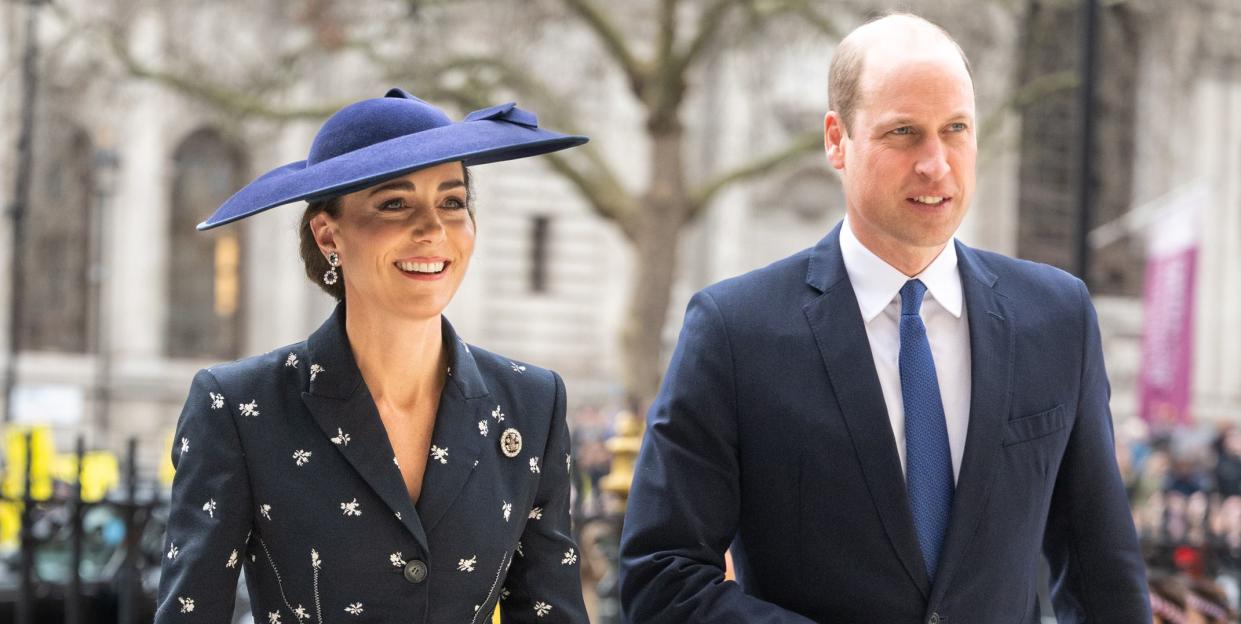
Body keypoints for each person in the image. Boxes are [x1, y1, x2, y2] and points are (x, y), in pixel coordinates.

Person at [618, 12, 1150, 623]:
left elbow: (1102, 575)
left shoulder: (1057, 319)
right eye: (903, 133)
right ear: (836, 139)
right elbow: (662, 578)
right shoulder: (734, 331)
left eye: (956, 128)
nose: (936, 163)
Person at [155, 88, 590, 623]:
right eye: (394, 204)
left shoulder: (533, 402)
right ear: (328, 234)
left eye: (452, 202)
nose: (432, 229)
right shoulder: (240, 407)